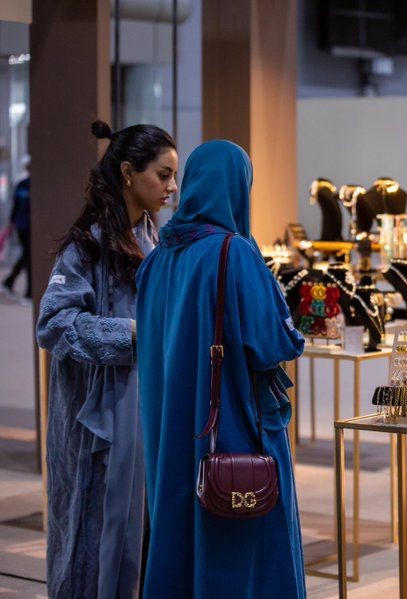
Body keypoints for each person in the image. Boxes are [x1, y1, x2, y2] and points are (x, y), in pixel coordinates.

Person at [136, 140, 306, 597]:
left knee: (177, 529)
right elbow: (274, 344)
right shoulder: (234, 253)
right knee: (242, 544)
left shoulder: (156, 259)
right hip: (231, 424)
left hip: (170, 430)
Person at [35, 120, 177, 598]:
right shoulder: (88, 244)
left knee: (139, 530)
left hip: (144, 409)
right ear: (129, 172)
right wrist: (131, 334)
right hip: (98, 420)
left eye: (174, 176)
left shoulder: (155, 239)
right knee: (92, 530)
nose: (171, 187)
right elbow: (54, 323)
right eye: (162, 175)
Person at [3, 157, 31, 298]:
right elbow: (16, 206)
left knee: (27, 256)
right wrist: (11, 223)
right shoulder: (22, 185)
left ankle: (10, 281)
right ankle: (27, 291)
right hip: (23, 226)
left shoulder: (34, 185)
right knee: (27, 256)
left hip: (31, 227)